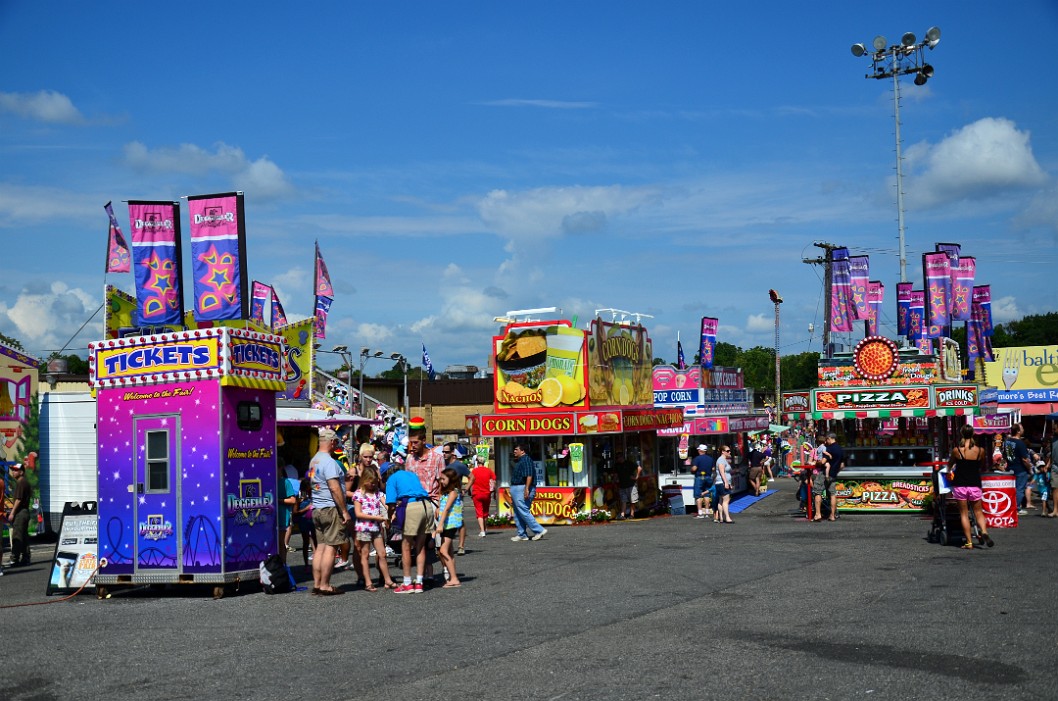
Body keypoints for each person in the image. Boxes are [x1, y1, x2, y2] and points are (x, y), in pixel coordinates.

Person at [309, 428, 351, 596]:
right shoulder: (329, 462)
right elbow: (334, 488)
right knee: (332, 547)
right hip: (330, 508)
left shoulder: (314, 461)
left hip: (317, 507)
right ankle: (325, 585)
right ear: (332, 442)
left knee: (320, 547)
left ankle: (317, 584)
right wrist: (344, 511)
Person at [384, 462, 435, 594]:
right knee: (420, 545)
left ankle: (407, 583)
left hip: (412, 506)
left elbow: (391, 504)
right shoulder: (412, 475)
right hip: (426, 505)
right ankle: (419, 582)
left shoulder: (392, 479)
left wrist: (389, 519)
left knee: (406, 546)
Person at [948, 424, 995, 549]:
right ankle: (984, 532)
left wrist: (949, 470)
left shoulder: (957, 450)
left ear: (961, 434)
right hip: (974, 483)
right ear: (973, 434)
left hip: (960, 484)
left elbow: (950, 465)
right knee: (978, 512)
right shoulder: (980, 450)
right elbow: (981, 465)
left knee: (964, 513)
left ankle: (969, 542)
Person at [351, 466, 396, 591]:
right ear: (364, 480)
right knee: (365, 554)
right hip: (364, 527)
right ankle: (368, 582)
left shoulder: (377, 493)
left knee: (382, 553)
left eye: (375, 482)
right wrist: (376, 517)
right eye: (370, 482)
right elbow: (358, 513)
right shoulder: (359, 494)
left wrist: (391, 512)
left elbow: (385, 503)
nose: (373, 484)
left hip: (376, 527)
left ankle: (387, 580)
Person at [434, 467, 463, 588]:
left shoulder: (454, 492)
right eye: (440, 479)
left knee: (443, 551)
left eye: (444, 479)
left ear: (451, 480)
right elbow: (441, 504)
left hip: (450, 524)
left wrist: (440, 524)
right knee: (449, 552)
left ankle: (454, 578)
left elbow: (446, 508)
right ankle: (452, 577)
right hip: (446, 523)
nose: (441, 481)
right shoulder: (445, 492)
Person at [510, 442, 546, 541]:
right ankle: (522, 534)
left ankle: (539, 530)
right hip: (517, 488)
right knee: (518, 512)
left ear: (522, 451)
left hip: (521, 487)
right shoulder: (520, 460)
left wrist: (526, 488)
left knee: (523, 510)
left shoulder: (526, 460)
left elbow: (529, 475)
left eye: (516, 449)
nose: (514, 451)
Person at [443, 442, 473, 555]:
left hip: (456, 496)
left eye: (446, 452)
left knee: (459, 521)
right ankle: (445, 545)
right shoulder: (442, 464)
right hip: (444, 496)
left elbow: (471, 477)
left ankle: (461, 546)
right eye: (443, 452)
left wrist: (465, 489)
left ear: (452, 452)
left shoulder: (459, 465)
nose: (444, 454)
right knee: (444, 519)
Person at [1005, 423, 1033, 515]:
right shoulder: (1020, 443)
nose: (1023, 429)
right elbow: (1024, 459)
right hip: (1020, 469)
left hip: (1010, 468)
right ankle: (1016, 508)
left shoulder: (1008, 441)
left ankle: (1012, 507)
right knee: (1020, 489)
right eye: (1022, 428)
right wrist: (1029, 468)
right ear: (1018, 431)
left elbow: (1006, 456)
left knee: (1012, 489)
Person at [7, 462, 31, 567]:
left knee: (17, 536)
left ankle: (14, 559)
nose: (13, 472)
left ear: (21, 472)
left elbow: (18, 500)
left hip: (21, 512)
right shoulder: (23, 482)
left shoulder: (21, 482)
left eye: (15, 470)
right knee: (24, 536)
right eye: (12, 469)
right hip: (25, 512)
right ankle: (26, 558)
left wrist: (12, 513)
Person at [470, 453, 497, 536]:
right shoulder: (489, 471)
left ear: (477, 463)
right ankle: (485, 528)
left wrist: (469, 491)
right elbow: (494, 481)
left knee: (479, 512)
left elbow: (470, 482)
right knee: (485, 512)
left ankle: (482, 531)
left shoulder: (474, 471)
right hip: (486, 494)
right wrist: (494, 492)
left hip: (477, 493)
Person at [292, 477, 316, 571]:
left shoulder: (313, 495)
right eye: (309, 487)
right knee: (306, 542)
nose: (310, 489)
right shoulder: (299, 497)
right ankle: (306, 565)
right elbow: (295, 512)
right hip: (303, 521)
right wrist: (306, 509)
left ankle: (317, 564)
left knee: (316, 542)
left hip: (313, 520)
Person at [822, 432, 845, 521]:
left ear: (830, 438)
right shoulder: (840, 449)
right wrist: (836, 471)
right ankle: (833, 514)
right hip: (834, 474)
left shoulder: (829, 448)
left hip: (826, 474)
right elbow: (842, 465)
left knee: (817, 492)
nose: (826, 441)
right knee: (832, 494)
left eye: (826, 439)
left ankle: (818, 514)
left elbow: (823, 461)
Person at [613, 451, 642, 520]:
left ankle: (632, 514)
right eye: (616, 458)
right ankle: (622, 515)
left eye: (618, 458)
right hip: (622, 485)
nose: (617, 459)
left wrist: (636, 477)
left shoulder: (629, 463)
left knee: (632, 500)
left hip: (631, 485)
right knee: (623, 500)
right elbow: (616, 475)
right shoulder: (617, 465)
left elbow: (639, 468)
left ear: (622, 457)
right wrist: (614, 480)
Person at [690, 445, 714, 519]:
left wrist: (691, 470)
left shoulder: (697, 459)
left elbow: (694, 468)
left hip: (699, 477)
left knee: (698, 495)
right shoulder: (711, 459)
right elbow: (713, 468)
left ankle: (700, 513)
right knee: (707, 494)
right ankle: (707, 512)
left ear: (700, 450)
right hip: (709, 477)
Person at [713, 446, 734, 523]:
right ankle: (727, 517)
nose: (729, 452)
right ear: (723, 451)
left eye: (729, 450)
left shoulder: (724, 460)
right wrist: (726, 482)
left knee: (721, 500)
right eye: (727, 451)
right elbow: (722, 472)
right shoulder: (721, 460)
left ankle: (721, 517)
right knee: (726, 500)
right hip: (722, 482)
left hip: (720, 482)